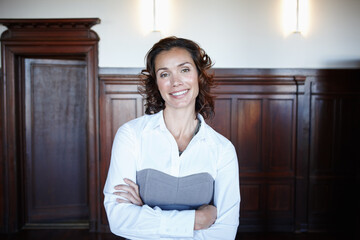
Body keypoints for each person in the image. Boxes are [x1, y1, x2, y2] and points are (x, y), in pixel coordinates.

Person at [103, 36, 240, 239]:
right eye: (164, 74)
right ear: (156, 83)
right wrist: (197, 220)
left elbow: (225, 231)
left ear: (199, 75)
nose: (176, 82)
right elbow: (119, 219)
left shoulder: (222, 149)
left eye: (184, 70)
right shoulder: (131, 135)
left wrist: (145, 214)